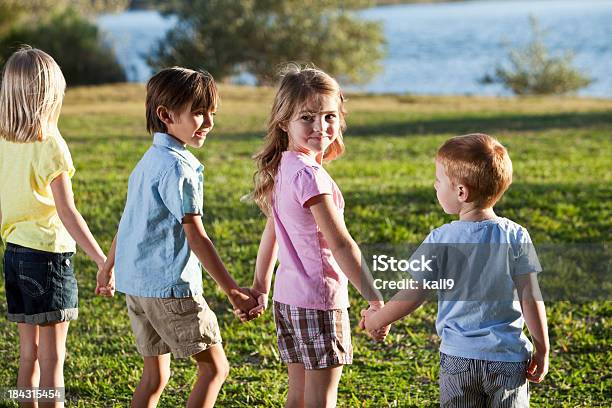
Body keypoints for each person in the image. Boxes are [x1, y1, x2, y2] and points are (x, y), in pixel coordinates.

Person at [96, 67, 257, 408]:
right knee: (215, 369)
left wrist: (109, 266)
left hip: (137, 287)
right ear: (166, 115)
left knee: (155, 377)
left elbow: (129, 220)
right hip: (170, 288)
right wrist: (233, 291)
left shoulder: (147, 161)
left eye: (211, 113)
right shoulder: (180, 169)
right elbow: (196, 236)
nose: (209, 122)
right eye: (199, 113)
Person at [238, 65, 388, 408]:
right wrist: (375, 299)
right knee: (321, 399)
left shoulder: (284, 168)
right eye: (307, 117)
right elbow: (341, 243)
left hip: (288, 300)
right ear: (283, 122)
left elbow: (271, 231)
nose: (320, 126)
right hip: (320, 301)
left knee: (299, 395)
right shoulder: (310, 178)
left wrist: (261, 286)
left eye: (329, 116)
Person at [361, 133, 549, 407]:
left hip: (459, 359)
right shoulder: (516, 236)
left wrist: (378, 320)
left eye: (439, 181)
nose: (435, 186)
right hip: (509, 359)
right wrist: (541, 349)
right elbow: (531, 296)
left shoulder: (440, 240)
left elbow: (413, 294)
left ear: (461, 192)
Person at [0, 46, 108, 407]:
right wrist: (102, 259)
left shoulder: (4, 141)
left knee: (27, 356)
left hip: (14, 255)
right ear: (50, 97)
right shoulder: (50, 145)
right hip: (47, 256)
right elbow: (68, 212)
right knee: (52, 358)